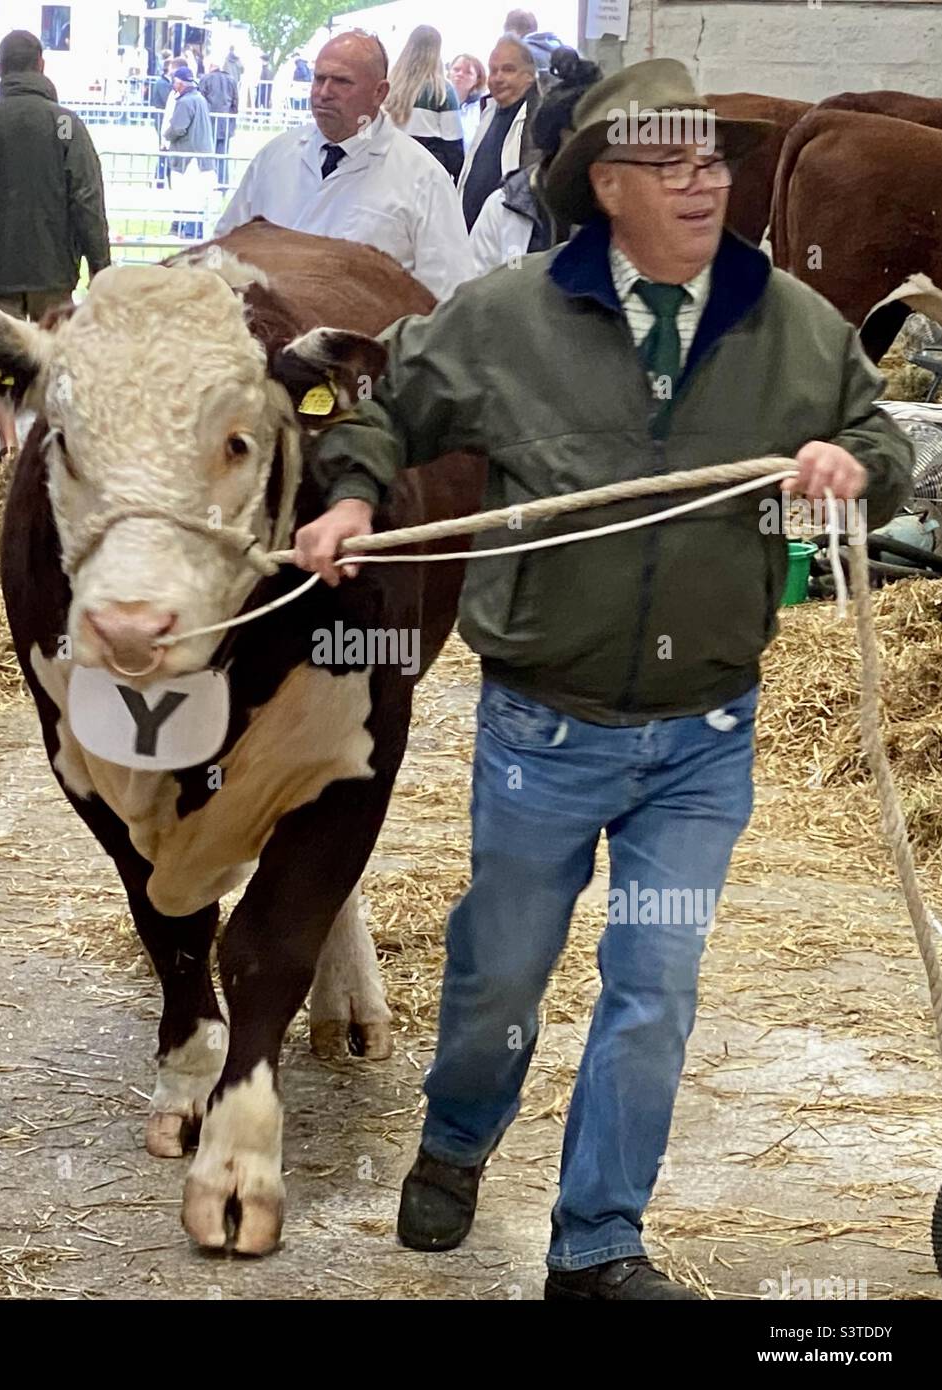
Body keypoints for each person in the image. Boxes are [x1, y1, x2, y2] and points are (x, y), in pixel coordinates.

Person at [294, 58, 913, 1299]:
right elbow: (377, 412)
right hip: (542, 730)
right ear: (609, 184)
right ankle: (461, 1132)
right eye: (672, 162)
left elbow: (880, 445)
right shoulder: (507, 316)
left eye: (714, 160)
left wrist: (850, 469)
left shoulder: (788, 322)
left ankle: (595, 1241)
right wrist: (353, 493)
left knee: (655, 985)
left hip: (704, 734)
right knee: (500, 975)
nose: (704, 181)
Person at [216, 32, 474, 302]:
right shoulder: (274, 157)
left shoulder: (424, 178)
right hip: (263, 334)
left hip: (368, 341)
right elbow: (223, 247)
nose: (324, 93)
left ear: (379, 92)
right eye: (319, 78)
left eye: (341, 82)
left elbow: (449, 292)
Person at [0, 29, 109, 465]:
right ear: (41, 65)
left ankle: (8, 446)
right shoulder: (65, 123)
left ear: (1, 69)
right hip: (54, 267)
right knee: (57, 355)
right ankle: (55, 439)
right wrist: (101, 266)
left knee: (1, 354)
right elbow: (86, 198)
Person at [469, 47, 603, 274]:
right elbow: (472, 293)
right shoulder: (505, 207)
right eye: (579, 143)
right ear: (556, 139)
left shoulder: (621, 212)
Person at [459, 34, 542, 230]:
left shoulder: (537, 120)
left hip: (510, 235)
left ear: (529, 76)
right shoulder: (489, 110)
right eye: (493, 70)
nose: (497, 78)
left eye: (508, 70)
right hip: (471, 236)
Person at [384, 25, 464, 183]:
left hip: (390, 171)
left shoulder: (389, 87)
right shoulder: (442, 91)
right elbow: (453, 146)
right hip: (426, 177)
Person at [162, 65, 214, 175]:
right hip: (203, 158)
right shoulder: (200, 98)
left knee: (182, 191)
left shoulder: (185, 102)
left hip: (188, 160)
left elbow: (178, 129)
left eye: (175, 82)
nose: (174, 85)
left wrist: (166, 137)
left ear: (179, 84)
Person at [199, 62, 238, 185]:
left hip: (208, 124)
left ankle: (208, 184)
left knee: (206, 157)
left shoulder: (205, 79)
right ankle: (222, 185)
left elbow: (200, 101)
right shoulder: (231, 80)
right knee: (222, 157)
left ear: (210, 67)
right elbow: (235, 104)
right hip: (225, 124)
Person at [448, 53, 487, 149]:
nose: (460, 74)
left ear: (477, 79)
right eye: (456, 69)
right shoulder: (437, 102)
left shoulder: (482, 108)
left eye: (468, 72)